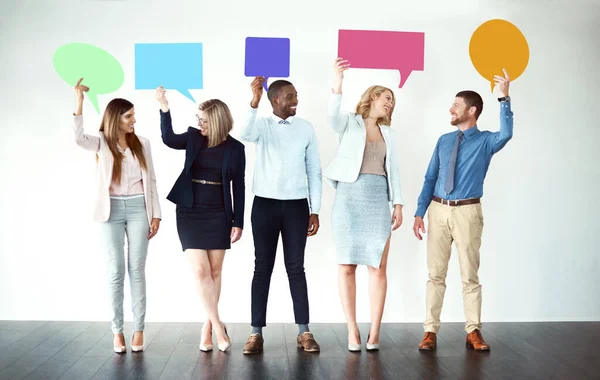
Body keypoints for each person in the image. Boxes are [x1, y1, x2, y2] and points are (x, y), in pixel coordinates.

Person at [413, 69, 513, 351]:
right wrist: (420, 212)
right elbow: (430, 177)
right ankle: (430, 332)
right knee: (435, 274)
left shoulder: (486, 141)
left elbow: (507, 133)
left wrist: (504, 98)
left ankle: (473, 331)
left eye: (456, 105)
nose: (451, 109)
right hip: (438, 210)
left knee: (470, 275)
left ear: (472, 110)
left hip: (468, 212)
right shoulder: (444, 140)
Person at [71, 78, 162, 354]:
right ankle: (117, 331)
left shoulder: (143, 143)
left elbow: (153, 181)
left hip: (139, 209)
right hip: (109, 210)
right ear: (115, 119)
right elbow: (77, 138)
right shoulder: (100, 142)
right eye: (129, 116)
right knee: (114, 272)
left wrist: (155, 214)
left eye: (134, 115)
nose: (134, 120)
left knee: (137, 270)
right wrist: (79, 102)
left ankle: (139, 329)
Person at [156, 86, 245, 352]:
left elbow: (238, 186)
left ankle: (207, 326)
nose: (198, 124)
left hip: (219, 211)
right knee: (200, 271)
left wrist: (237, 221)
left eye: (203, 121)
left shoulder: (235, 148)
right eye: (198, 120)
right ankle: (219, 326)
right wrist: (164, 106)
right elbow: (169, 139)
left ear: (216, 121)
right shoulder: (194, 137)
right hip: (189, 209)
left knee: (215, 272)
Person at [324, 58, 404, 352]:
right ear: (373, 97)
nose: (390, 104)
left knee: (378, 268)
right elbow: (331, 117)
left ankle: (375, 332)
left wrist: (398, 204)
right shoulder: (349, 122)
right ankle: (352, 330)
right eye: (387, 99)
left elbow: (393, 170)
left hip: (376, 197)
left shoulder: (390, 134)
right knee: (346, 266)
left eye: (392, 102)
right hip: (348, 198)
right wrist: (338, 80)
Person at [239, 76, 322, 354]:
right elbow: (244, 134)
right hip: (264, 206)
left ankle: (304, 331)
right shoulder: (261, 125)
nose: (296, 99)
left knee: (296, 269)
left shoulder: (305, 128)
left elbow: (314, 171)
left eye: (296, 94)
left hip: (297, 207)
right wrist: (253, 102)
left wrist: (315, 209)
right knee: (262, 268)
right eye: (290, 96)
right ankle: (255, 333)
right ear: (274, 100)